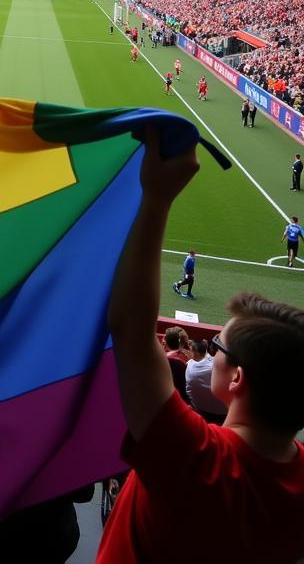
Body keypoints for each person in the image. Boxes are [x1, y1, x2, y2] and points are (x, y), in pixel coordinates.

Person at [97, 129, 304, 564]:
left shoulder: (196, 460)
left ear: (236, 378)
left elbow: (132, 329)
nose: (210, 347)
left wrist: (155, 199)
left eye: (218, 346)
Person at [183, 339, 228, 424]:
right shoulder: (220, 365)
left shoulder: (189, 367)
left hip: (200, 411)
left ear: (193, 351)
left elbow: (189, 393)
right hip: (224, 413)